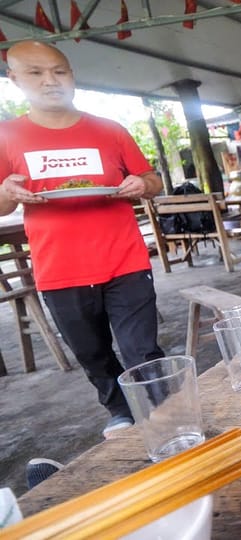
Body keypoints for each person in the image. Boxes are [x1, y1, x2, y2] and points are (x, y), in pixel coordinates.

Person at [0, 41, 166, 438]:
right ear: (15, 80)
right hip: (59, 268)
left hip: (124, 259)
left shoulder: (110, 130)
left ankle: (165, 410)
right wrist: (9, 191)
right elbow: (1, 206)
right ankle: (119, 411)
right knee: (92, 353)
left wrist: (139, 183)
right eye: (36, 73)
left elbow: (154, 182)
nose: (51, 81)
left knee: (141, 349)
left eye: (59, 71)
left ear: (72, 75)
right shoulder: (7, 135)